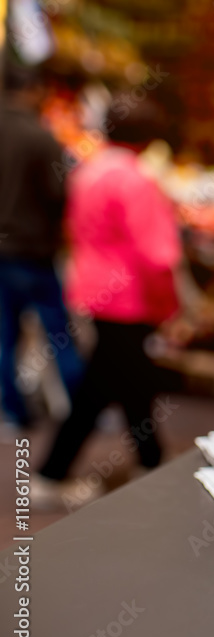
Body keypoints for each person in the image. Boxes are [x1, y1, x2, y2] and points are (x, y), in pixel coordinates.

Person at [33, 94, 181, 509]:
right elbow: (158, 255)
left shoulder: (89, 169)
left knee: (126, 378)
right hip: (130, 296)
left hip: (94, 288)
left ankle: (150, 460)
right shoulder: (137, 180)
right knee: (105, 383)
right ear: (150, 137)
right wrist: (172, 305)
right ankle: (51, 472)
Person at [0, 64, 84, 428]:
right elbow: (59, 195)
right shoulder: (40, 138)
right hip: (33, 251)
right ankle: (82, 411)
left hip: (5, 251)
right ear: (32, 89)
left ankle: (14, 412)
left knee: (5, 337)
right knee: (59, 333)